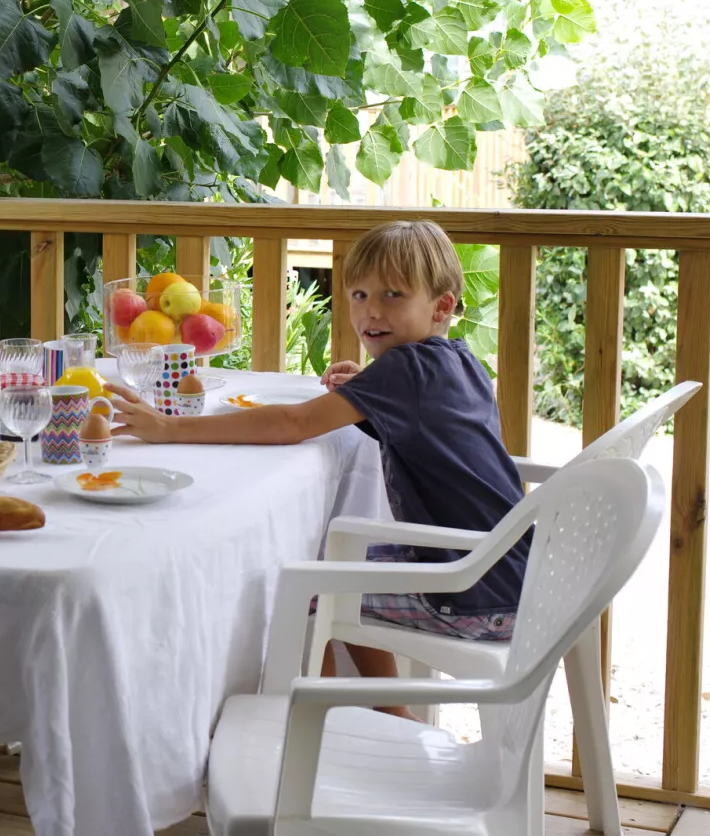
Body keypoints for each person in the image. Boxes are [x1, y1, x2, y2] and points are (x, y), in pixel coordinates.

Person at [109, 220, 528, 717]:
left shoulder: (405, 371)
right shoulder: (457, 359)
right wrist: (366, 391)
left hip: (468, 592)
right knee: (332, 562)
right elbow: (426, 422)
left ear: (440, 305)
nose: (371, 311)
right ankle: (390, 719)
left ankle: (329, 730)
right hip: (511, 574)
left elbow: (292, 423)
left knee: (304, 588)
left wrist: (166, 428)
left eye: (393, 295)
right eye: (358, 294)